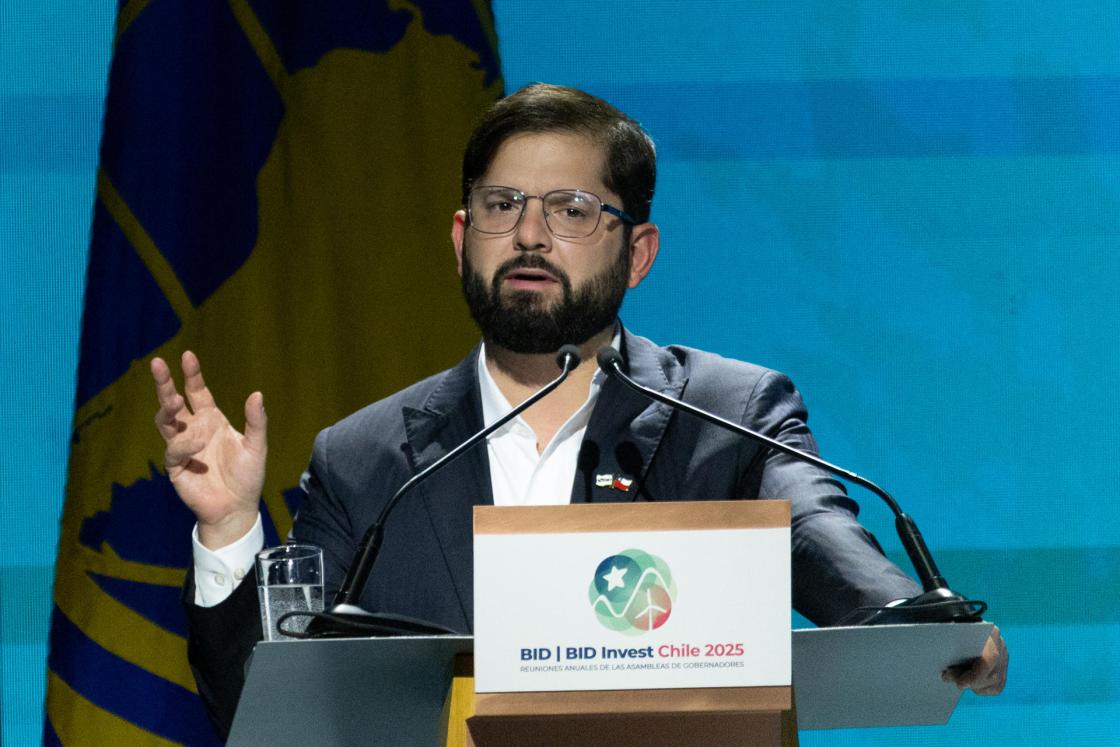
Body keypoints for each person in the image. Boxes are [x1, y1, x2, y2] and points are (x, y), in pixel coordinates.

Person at [151, 84, 1008, 738]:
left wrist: (913, 625)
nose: (528, 235)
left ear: (637, 252)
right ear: (461, 241)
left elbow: (820, 538)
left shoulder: (729, 416)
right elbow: (260, 711)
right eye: (501, 206)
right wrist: (230, 531)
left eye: (570, 210)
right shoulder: (365, 457)